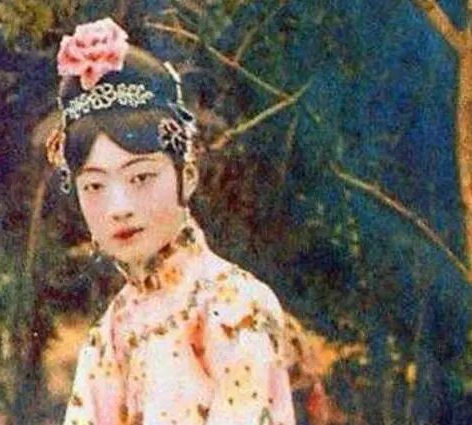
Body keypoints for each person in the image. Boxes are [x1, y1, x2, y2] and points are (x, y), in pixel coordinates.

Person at [45, 17, 298, 425]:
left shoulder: (235, 307)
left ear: (188, 176)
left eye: (141, 178)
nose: (118, 207)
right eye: (94, 186)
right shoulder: (110, 331)